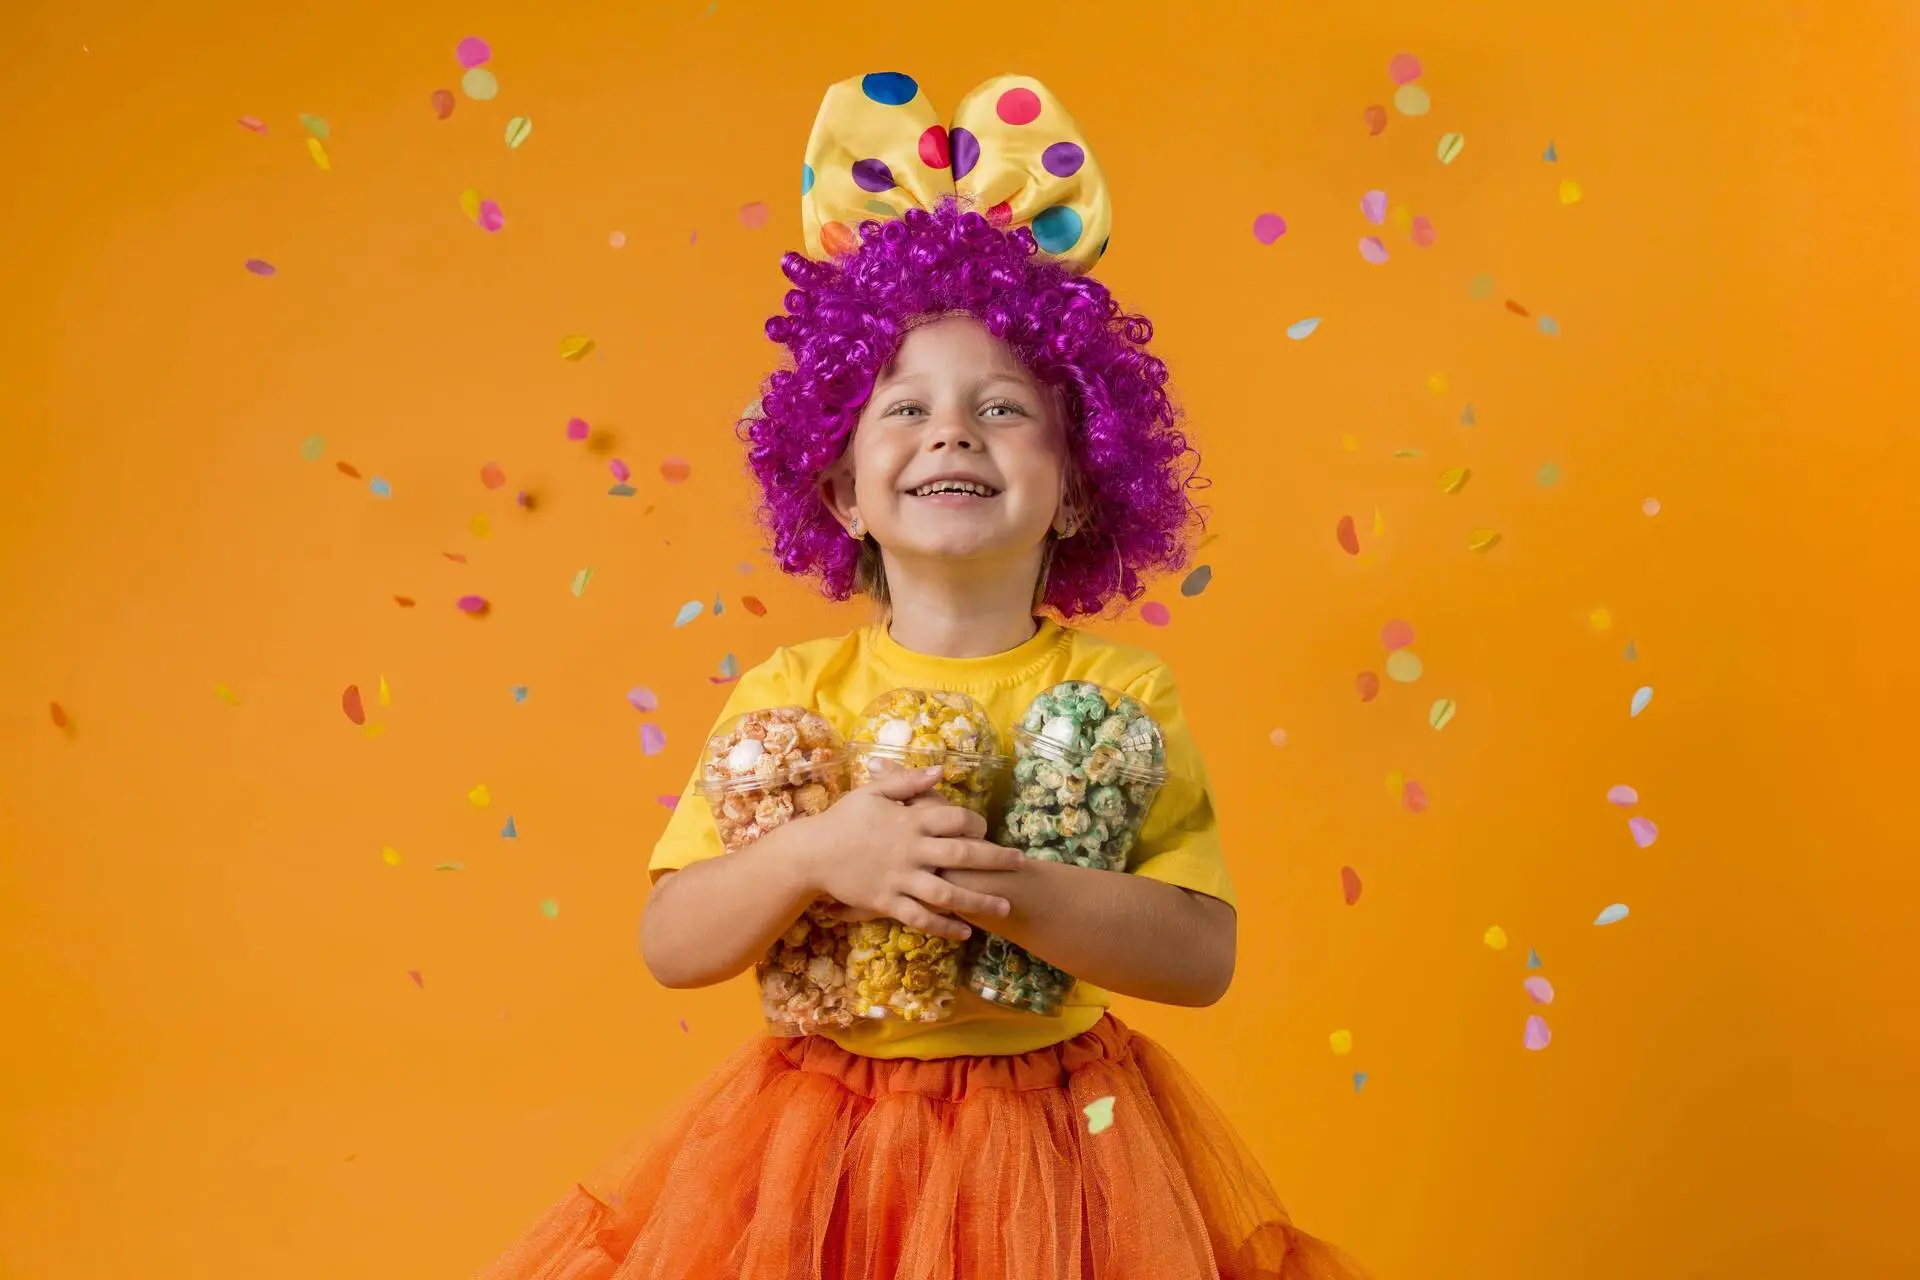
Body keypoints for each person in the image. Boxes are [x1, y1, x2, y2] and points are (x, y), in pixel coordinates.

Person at [481, 72, 1367, 1280]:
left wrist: (1003, 888)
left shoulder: (1120, 698)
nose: (953, 431)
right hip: (816, 1152)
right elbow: (674, 939)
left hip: (1067, 1152)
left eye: (1004, 408)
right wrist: (813, 855)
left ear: (1082, 486)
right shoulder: (792, 696)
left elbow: (1200, 956)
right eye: (905, 407)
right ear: (841, 490)